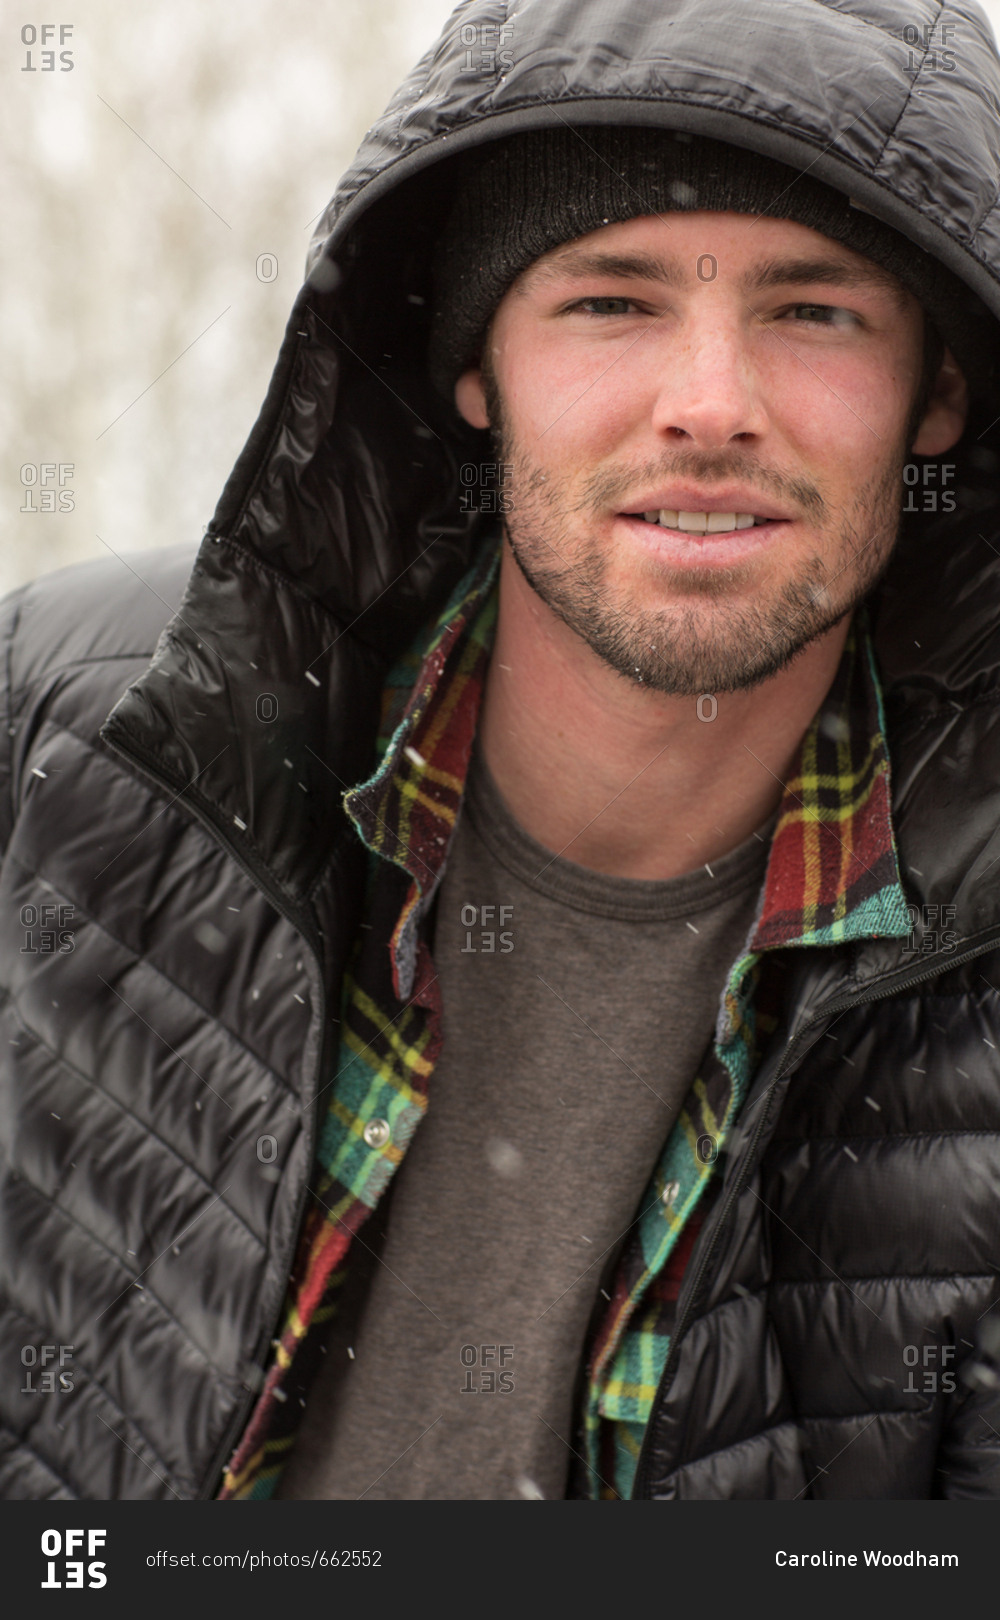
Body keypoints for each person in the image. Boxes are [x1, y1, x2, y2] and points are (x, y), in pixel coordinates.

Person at [4, 0, 1000, 1504]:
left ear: (935, 396)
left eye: (815, 311)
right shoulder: (65, 739)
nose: (710, 406)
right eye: (612, 302)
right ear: (479, 370)